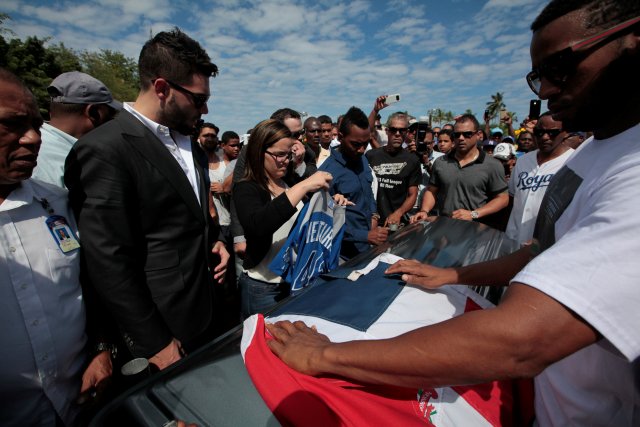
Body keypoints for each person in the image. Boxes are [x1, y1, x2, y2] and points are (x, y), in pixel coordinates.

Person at [267, 1, 640, 425]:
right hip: (545, 401)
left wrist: (326, 355)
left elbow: (522, 340)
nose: (547, 91)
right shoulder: (593, 152)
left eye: (562, 66)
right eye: (539, 76)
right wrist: (454, 277)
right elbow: (543, 251)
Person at [65, 28, 229, 371]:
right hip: (161, 334)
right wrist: (155, 341)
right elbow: (107, 259)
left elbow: (187, 220)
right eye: (198, 99)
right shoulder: (105, 149)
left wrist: (216, 243)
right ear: (162, 88)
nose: (206, 107)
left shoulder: (191, 146)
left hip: (208, 313)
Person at [0, 68, 113, 426]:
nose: (34, 138)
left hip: (82, 404)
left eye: (35, 123)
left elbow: (91, 285)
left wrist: (100, 349)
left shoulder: (60, 204)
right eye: (13, 125)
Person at [233, 119, 336, 318]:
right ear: (258, 152)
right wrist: (303, 186)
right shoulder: (246, 188)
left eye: (288, 154)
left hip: (293, 284)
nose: (286, 160)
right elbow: (258, 226)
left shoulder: (288, 182)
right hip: (263, 289)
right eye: (279, 155)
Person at [411, 114, 508, 222]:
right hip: (445, 228)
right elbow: (431, 191)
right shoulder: (441, 162)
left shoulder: (492, 165)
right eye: (457, 135)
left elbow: (503, 198)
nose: (461, 138)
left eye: (467, 134)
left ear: (478, 134)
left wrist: (474, 214)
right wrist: (424, 211)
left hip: (476, 230)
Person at [319, 107, 388, 259]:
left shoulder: (361, 158)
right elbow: (324, 223)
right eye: (356, 144)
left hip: (367, 249)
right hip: (342, 256)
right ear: (341, 137)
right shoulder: (325, 174)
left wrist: (374, 215)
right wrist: (364, 235)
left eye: (365, 143)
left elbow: (368, 193)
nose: (361, 150)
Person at [32, 71, 121, 188]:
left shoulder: (37, 150)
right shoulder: (71, 161)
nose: (112, 121)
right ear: (93, 112)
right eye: (110, 115)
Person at [506, 113, 573, 244]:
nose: (544, 137)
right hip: (513, 238)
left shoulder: (573, 161)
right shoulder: (523, 161)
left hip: (546, 244)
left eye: (552, 132)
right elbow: (513, 197)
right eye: (539, 132)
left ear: (565, 132)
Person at [366, 111, 421, 228]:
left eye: (402, 130)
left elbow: (413, 195)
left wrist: (398, 213)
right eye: (393, 130)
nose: (397, 134)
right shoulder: (371, 156)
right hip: (370, 221)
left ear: (406, 133)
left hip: (395, 224)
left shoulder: (412, 160)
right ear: (387, 131)